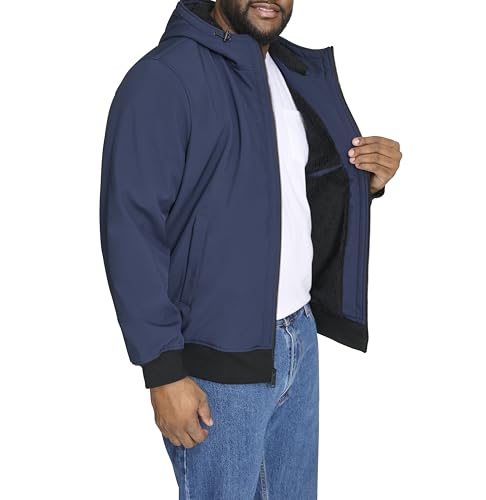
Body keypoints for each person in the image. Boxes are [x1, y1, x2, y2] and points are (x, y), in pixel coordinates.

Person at [99, 0, 402, 497]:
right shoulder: (163, 79)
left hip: (298, 339)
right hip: (216, 362)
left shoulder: (287, 71)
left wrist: (364, 183)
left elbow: (287, 191)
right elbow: (130, 229)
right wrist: (162, 372)